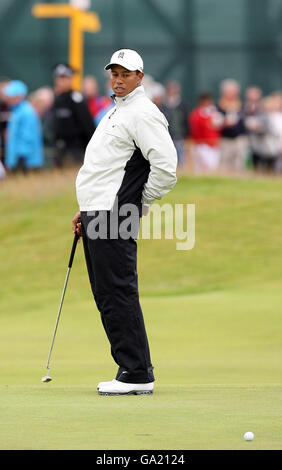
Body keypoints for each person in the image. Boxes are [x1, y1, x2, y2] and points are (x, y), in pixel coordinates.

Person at [72, 49, 177, 396]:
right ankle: (130, 368)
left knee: (117, 290)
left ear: (140, 77)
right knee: (106, 292)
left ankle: (136, 373)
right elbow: (106, 169)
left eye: (125, 74)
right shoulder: (117, 111)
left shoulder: (143, 114)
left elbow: (166, 169)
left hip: (114, 214)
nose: (118, 80)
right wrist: (86, 208)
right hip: (97, 212)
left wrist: (136, 202)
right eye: (113, 73)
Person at [52, 63, 95, 168]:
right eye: (59, 78)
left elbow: (88, 126)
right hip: (61, 148)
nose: (60, 81)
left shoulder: (76, 99)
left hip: (77, 149)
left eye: (64, 78)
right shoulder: (57, 100)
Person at [2, 80, 44, 173]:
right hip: (19, 158)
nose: (9, 99)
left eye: (12, 96)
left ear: (20, 96)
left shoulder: (26, 112)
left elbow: (28, 137)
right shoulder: (18, 111)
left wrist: (17, 158)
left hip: (24, 160)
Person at [217, 79, 248, 172]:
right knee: (225, 165)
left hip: (239, 139)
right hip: (225, 140)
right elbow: (215, 123)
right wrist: (224, 123)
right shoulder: (219, 105)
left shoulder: (241, 105)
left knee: (240, 164)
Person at [189, 92, 222, 174]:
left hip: (213, 145)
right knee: (201, 169)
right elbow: (195, 130)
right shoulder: (196, 114)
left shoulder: (214, 113)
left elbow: (218, 127)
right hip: (201, 144)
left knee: (212, 168)